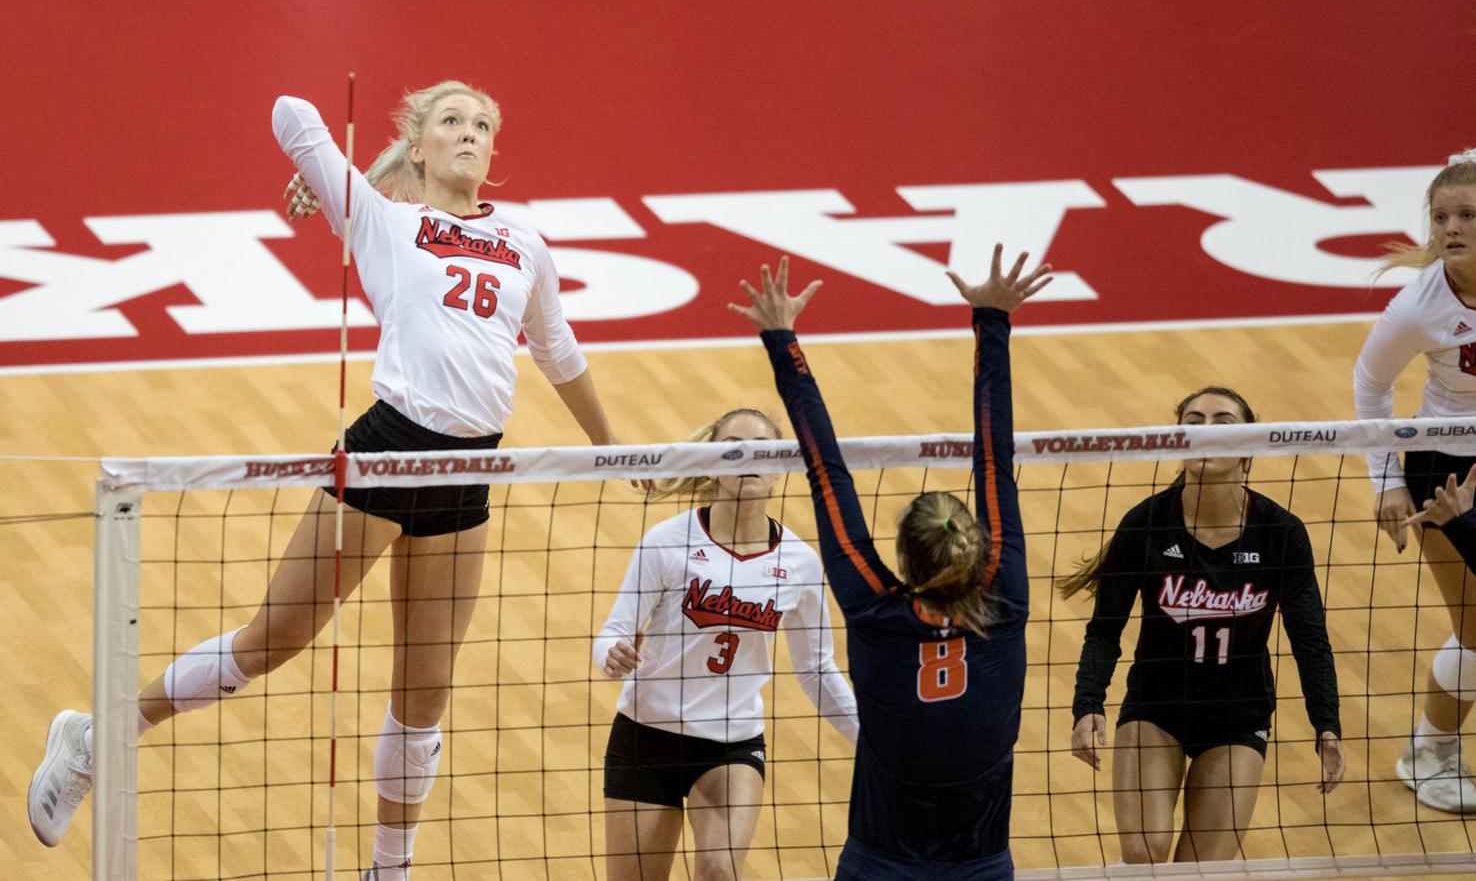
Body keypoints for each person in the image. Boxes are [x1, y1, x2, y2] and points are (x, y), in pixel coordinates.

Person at [27, 81, 624, 881]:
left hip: (467, 473)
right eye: (451, 121)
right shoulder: (387, 221)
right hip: (385, 454)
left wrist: (615, 449)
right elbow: (286, 111)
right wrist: (353, 181)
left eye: (484, 123)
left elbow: (558, 351)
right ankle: (94, 741)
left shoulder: (526, 243)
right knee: (271, 641)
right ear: (419, 146)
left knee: (426, 692)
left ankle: (389, 869)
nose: (471, 133)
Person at [728, 248, 1045, 880]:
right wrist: (993, 319)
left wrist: (782, 341)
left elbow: (824, 471)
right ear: (979, 545)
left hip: (881, 862)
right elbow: (994, 459)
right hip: (979, 863)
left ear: (903, 557)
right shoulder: (1003, 600)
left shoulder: (876, 606)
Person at [1061, 387, 1344, 863]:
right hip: (1156, 708)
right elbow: (1104, 630)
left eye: (1223, 422)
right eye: (1194, 420)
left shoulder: (1281, 533)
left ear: (1249, 445)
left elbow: (1310, 639)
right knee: (1145, 853)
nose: (1206, 431)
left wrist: (1326, 725)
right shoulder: (1146, 524)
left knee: (1201, 870)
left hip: (1238, 717)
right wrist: (1087, 705)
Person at [592, 408, 858, 880]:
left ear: (778, 469)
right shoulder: (667, 543)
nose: (746, 459)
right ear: (713, 461)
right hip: (645, 736)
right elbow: (614, 632)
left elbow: (817, 670)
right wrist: (609, 656)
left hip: (730, 745)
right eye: (733, 446)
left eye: (761, 450)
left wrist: (877, 740)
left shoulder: (799, 563)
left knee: (719, 870)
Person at [1354, 148, 1476, 813]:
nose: (1449, 228)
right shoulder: (1418, 306)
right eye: (1440, 216)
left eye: (1466, 215)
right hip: (1446, 468)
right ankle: (1429, 751)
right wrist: (1385, 483)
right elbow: (1370, 384)